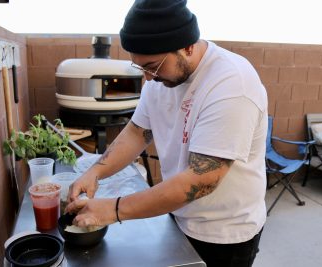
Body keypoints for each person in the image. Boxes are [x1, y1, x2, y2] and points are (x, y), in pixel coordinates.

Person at [66, 0, 268, 266]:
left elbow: (201, 179)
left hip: (224, 233)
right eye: (141, 68)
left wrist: (112, 210)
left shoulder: (231, 83)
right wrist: (95, 171)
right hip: (177, 214)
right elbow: (137, 132)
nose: (148, 78)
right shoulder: (160, 77)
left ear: (187, 46)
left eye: (153, 67)